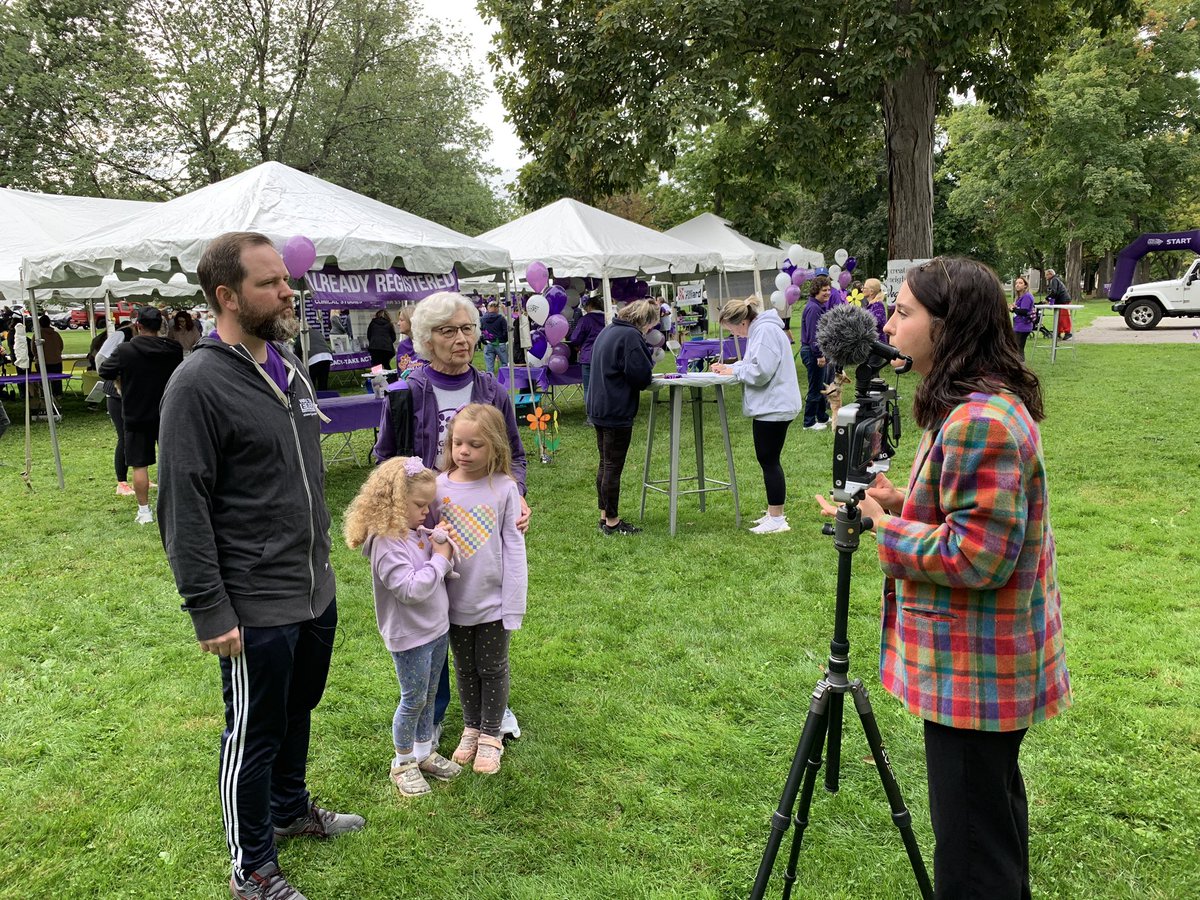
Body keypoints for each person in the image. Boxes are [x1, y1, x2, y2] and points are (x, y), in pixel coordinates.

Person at [817, 256, 1072, 899]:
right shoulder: (974, 404)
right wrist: (907, 500)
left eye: (904, 313)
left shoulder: (981, 418)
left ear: (949, 325)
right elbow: (973, 516)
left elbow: (977, 556)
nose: (890, 324)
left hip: (977, 670)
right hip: (981, 670)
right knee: (991, 826)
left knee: (972, 855)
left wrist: (882, 525)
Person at [158, 232, 364, 900]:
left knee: (298, 706)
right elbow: (181, 505)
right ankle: (252, 871)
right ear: (226, 296)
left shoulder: (291, 364)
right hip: (253, 601)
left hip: (313, 588)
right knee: (253, 732)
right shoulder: (196, 384)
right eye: (272, 283)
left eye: (287, 280)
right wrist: (209, 609)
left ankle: (290, 810)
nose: (288, 292)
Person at [373, 290, 530, 744]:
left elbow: (514, 457)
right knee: (433, 616)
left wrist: (516, 496)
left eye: (467, 329)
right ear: (425, 338)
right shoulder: (407, 392)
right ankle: (434, 713)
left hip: (482, 521)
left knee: (480, 609)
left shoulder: (491, 391)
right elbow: (386, 460)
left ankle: (490, 713)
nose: (461, 339)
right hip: (425, 527)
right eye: (448, 331)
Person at [343, 456, 462, 797]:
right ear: (396, 503)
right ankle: (403, 762)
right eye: (420, 505)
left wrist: (443, 547)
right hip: (410, 636)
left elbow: (444, 569)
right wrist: (439, 557)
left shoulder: (415, 533)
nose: (427, 512)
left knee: (428, 696)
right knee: (412, 700)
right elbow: (410, 590)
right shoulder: (386, 544)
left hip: (436, 629)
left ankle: (425, 753)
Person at [437, 404, 528, 775]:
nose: (464, 452)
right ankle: (471, 727)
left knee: (491, 667)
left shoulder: (504, 488)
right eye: (458, 443)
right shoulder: (438, 486)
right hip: (453, 602)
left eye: (475, 445)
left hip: (492, 602)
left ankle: (492, 735)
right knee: (464, 667)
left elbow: (513, 545)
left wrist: (514, 602)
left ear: (494, 447)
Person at [711, 297, 803, 534]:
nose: (733, 334)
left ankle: (777, 517)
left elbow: (760, 372)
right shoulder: (763, 330)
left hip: (773, 407)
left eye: (731, 329)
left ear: (742, 321)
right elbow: (754, 364)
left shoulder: (763, 332)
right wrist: (733, 368)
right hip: (773, 405)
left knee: (769, 460)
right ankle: (774, 513)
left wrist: (735, 371)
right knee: (768, 460)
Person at [99, 307, 183, 524]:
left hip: (136, 412)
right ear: (160, 326)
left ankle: (144, 511)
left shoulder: (125, 350)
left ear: (138, 325)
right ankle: (175, 506)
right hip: (168, 411)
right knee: (171, 460)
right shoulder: (174, 348)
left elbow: (105, 371)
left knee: (139, 465)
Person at [586, 299, 658, 535]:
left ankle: (604, 514)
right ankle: (613, 522)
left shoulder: (609, 330)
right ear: (644, 322)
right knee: (612, 467)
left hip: (599, 406)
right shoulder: (630, 336)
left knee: (605, 464)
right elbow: (641, 377)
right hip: (615, 409)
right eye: (650, 327)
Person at [96, 325, 134, 495]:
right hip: (117, 394)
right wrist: (112, 377)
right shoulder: (121, 334)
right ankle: (122, 482)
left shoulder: (144, 338)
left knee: (137, 437)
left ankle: (140, 476)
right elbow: (100, 358)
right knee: (124, 438)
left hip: (132, 393)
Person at [799, 275, 834, 430]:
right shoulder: (813, 308)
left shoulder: (818, 306)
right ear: (815, 291)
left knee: (820, 385)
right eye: (824, 290)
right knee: (815, 387)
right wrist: (819, 355)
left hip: (814, 351)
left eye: (829, 290)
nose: (827, 293)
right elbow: (814, 334)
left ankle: (822, 416)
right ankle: (808, 422)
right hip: (812, 352)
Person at [569, 294, 605, 416]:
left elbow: (575, 338)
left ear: (590, 306)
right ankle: (603, 412)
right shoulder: (609, 318)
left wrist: (578, 345)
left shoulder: (585, 320)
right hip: (605, 356)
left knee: (588, 388)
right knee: (604, 387)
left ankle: (591, 416)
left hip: (588, 356)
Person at [296, 318, 333, 391]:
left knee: (311, 381)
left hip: (313, 358)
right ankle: (324, 397)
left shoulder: (302, 334)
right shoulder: (317, 332)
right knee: (323, 381)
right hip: (326, 356)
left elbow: (298, 349)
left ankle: (314, 397)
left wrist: (299, 361)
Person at [35, 314, 65, 397]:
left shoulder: (37, 335)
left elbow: (33, 349)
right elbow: (61, 346)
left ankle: (45, 395)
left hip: (43, 362)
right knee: (57, 380)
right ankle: (58, 394)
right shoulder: (56, 334)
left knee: (44, 381)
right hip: (56, 360)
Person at [479, 299, 509, 376]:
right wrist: (503, 340)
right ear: (497, 308)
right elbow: (506, 331)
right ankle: (504, 381)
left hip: (488, 343)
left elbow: (480, 331)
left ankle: (490, 381)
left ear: (488, 308)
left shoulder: (482, 319)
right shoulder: (501, 318)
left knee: (489, 367)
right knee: (504, 364)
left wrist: (483, 339)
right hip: (500, 343)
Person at [1044, 268, 1073, 340]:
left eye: (1046, 275)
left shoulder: (1054, 280)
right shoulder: (1055, 280)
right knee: (1059, 317)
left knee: (1063, 317)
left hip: (1063, 301)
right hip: (1060, 300)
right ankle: (1059, 332)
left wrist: (1047, 299)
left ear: (1050, 274)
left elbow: (1054, 292)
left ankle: (1067, 332)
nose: (1045, 277)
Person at [1012, 275, 1036, 359]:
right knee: (1018, 347)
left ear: (1025, 285)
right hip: (1018, 325)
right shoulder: (1020, 297)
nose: (1017, 285)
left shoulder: (1027, 296)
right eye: (1016, 283)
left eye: (1020, 283)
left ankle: (1020, 365)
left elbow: (1024, 312)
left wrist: (1013, 309)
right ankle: (1019, 364)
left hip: (1023, 326)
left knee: (1018, 348)